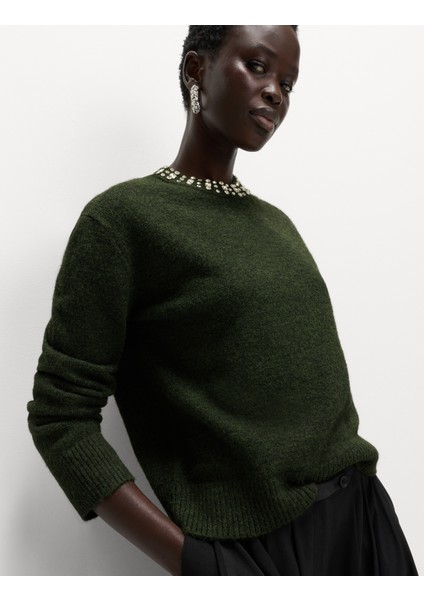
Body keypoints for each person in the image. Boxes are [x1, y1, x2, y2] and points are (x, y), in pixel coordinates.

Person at [27, 25, 418, 576]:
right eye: (257, 67)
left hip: (365, 522)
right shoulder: (122, 220)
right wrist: (197, 564)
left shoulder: (276, 223)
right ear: (197, 70)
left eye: (288, 82)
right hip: (260, 550)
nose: (275, 92)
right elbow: (60, 417)